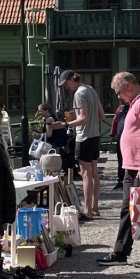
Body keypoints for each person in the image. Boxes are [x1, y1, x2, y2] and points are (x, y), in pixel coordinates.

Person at [98, 73, 140, 267]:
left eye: (118, 92)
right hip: (132, 166)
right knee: (128, 210)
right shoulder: (137, 102)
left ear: (127, 86)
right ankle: (120, 252)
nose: (118, 96)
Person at [61, 70, 104, 220]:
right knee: (94, 172)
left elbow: (83, 118)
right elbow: (102, 115)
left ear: (73, 79)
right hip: (95, 135)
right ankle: (95, 207)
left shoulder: (79, 93)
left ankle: (87, 210)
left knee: (85, 174)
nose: (66, 86)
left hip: (84, 137)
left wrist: (67, 124)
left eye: (66, 83)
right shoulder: (91, 89)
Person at [110, 101, 129, 191]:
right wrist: (112, 134)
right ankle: (120, 180)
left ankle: (132, 180)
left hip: (131, 140)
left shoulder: (134, 108)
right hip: (120, 139)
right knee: (120, 161)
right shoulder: (119, 109)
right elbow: (115, 121)